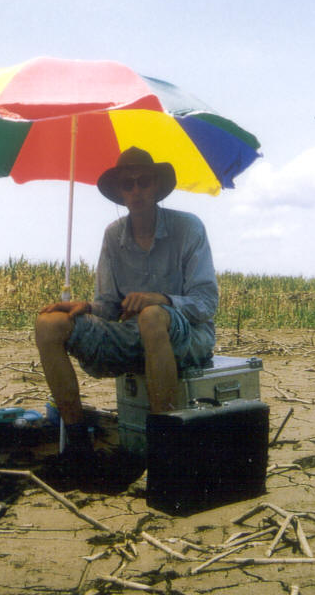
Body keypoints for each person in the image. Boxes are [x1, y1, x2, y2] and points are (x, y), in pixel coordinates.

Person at [35, 146, 218, 461]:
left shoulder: (189, 228)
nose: (136, 190)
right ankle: (78, 443)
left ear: (157, 187)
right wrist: (87, 308)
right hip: (131, 337)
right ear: (119, 191)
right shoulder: (113, 235)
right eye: (128, 183)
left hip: (187, 337)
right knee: (48, 324)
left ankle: (165, 446)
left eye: (143, 181)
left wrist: (160, 300)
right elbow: (109, 306)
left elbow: (206, 303)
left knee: (151, 317)